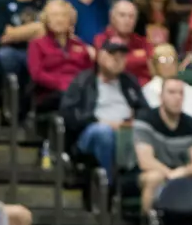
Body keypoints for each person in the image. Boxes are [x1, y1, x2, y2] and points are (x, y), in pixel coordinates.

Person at [60, 38, 149, 181]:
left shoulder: (129, 82)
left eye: (122, 56)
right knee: (103, 133)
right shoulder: (83, 81)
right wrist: (102, 122)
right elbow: (69, 114)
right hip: (92, 132)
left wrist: (132, 121)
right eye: (113, 55)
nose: (117, 60)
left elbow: (145, 111)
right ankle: (108, 185)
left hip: (127, 131)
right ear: (100, 56)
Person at [133, 76, 192, 212]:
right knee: (154, 177)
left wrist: (181, 172)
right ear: (161, 97)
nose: (177, 97)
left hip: (181, 172)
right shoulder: (145, 120)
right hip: (151, 172)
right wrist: (169, 173)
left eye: (181, 93)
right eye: (172, 92)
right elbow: (146, 161)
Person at [27, 0, 94, 106]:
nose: (59, 19)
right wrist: (62, 84)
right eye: (54, 15)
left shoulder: (80, 45)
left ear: (70, 20)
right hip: (50, 93)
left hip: (79, 90)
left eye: (64, 15)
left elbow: (89, 72)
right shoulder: (37, 44)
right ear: (46, 20)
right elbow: (37, 74)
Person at [94, 0, 153, 84]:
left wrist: (122, 60)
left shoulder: (142, 41)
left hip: (142, 89)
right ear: (112, 17)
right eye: (122, 15)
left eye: (131, 16)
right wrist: (139, 60)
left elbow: (152, 64)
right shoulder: (101, 39)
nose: (127, 20)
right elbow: (110, 65)